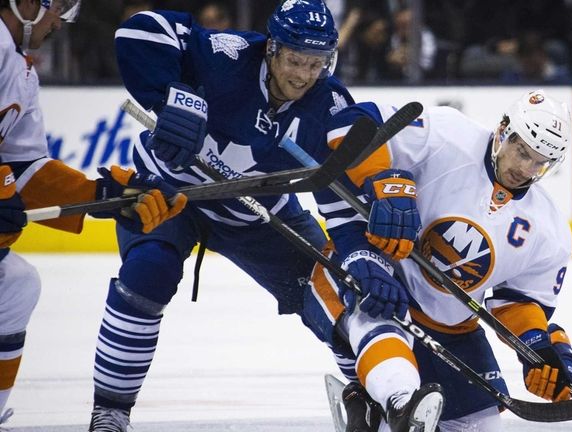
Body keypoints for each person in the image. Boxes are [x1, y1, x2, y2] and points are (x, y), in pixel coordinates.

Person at [86, 1, 420, 430]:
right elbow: (139, 32)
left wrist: (358, 258)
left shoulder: (329, 102)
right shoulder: (227, 54)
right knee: (147, 274)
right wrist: (170, 96)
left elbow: (338, 195)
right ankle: (110, 413)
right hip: (173, 194)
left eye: (317, 63)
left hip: (259, 215)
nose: (303, 75)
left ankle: (370, 394)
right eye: (296, 60)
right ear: (272, 49)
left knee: (337, 290)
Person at [303, 89, 572, 431]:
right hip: (382, 277)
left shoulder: (549, 230)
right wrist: (382, 181)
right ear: (503, 129)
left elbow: (517, 302)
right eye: (522, 151)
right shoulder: (448, 134)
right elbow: (349, 125)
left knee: (480, 426)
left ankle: (368, 406)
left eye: (540, 163)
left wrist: (537, 345)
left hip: (451, 327)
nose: (525, 168)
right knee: (376, 304)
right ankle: (395, 402)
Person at [0, 0, 187, 428]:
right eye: (57, 8)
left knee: (14, 286)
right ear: (26, 4)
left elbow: (24, 168)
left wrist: (102, 195)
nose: (62, 22)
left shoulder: (20, 71)